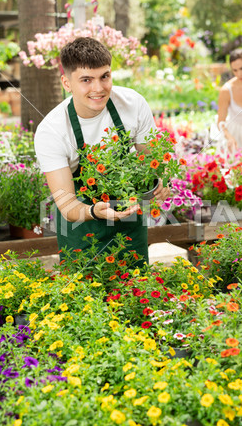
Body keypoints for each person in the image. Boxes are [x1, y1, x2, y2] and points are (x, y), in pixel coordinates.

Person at [34, 37, 171, 265]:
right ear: (67, 83)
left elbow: (153, 160)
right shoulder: (52, 130)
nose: (98, 88)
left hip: (129, 219)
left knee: (136, 290)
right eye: (86, 80)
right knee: (85, 295)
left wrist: (161, 183)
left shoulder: (132, 104)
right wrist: (95, 211)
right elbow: (67, 204)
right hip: (82, 225)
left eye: (104, 76)